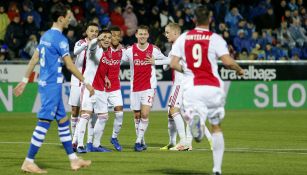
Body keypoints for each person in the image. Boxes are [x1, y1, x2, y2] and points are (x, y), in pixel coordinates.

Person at [13, 3, 92, 173]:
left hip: (46, 83)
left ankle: (73, 160)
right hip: (51, 85)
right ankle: (28, 161)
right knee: (44, 122)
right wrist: (86, 82)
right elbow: (70, 65)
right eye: (68, 16)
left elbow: (35, 58)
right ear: (61, 18)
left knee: (63, 121)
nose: (70, 19)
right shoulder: (60, 39)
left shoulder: (45, 36)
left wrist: (25, 80)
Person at [170, 6, 244, 175]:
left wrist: (188, 71)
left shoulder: (183, 38)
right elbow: (228, 62)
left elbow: (173, 64)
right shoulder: (215, 38)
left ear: (194, 20)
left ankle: (195, 121)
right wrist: (239, 69)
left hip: (193, 87)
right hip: (213, 87)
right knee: (216, 126)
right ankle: (217, 169)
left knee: (190, 113)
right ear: (210, 20)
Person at [158, 23, 213, 151]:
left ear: (175, 33)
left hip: (181, 83)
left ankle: (183, 142)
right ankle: (201, 141)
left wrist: (156, 60)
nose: (165, 35)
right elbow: (168, 64)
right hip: (188, 83)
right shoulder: (180, 46)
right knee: (188, 115)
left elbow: (169, 63)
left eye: (167, 32)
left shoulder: (179, 45)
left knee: (173, 110)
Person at [122, 25, 168, 152]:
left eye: (145, 34)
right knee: (137, 115)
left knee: (145, 114)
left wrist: (156, 62)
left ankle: (137, 142)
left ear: (148, 35)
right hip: (135, 87)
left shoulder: (154, 50)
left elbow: (168, 60)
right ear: (136, 35)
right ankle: (141, 140)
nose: (142, 36)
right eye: (140, 34)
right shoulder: (130, 51)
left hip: (149, 87)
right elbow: (118, 60)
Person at [76, 29, 112, 153]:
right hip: (89, 87)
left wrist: (106, 77)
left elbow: (101, 68)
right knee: (85, 115)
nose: (107, 40)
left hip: (101, 89)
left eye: (109, 37)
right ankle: (80, 145)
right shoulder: (94, 48)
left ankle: (96, 144)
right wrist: (97, 39)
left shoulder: (109, 53)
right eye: (104, 37)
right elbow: (91, 45)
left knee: (103, 117)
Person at [69, 22, 99, 152]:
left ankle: (80, 141)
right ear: (86, 32)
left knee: (86, 111)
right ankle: (73, 139)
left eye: (96, 31)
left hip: (90, 82)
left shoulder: (98, 46)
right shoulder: (80, 43)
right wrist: (88, 44)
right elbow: (75, 52)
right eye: (91, 31)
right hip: (77, 80)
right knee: (75, 110)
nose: (94, 33)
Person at [106, 25, 125, 151]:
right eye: (113, 35)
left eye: (118, 35)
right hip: (101, 87)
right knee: (97, 117)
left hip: (115, 87)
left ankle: (114, 137)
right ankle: (90, 142)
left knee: (119, 113)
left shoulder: (122, 51)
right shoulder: (102, 49)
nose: (116, 37)